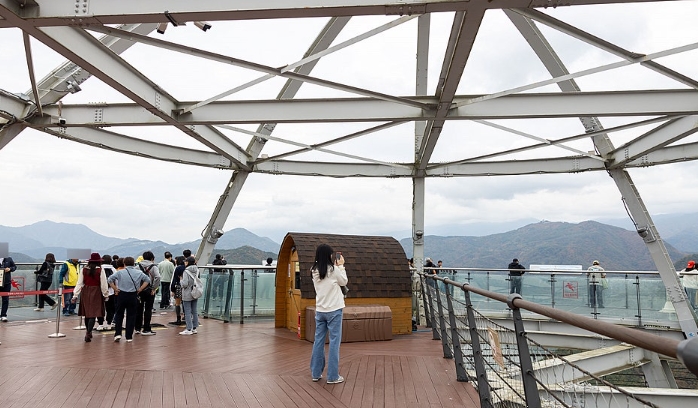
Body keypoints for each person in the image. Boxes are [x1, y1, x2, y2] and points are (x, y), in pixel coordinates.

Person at [310, 244, 348, 384]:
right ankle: (332, 376)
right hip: (334, 310)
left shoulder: (313, 270)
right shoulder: (333, 269)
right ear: (328, 255)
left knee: (318, 341)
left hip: (320, 310)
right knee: (334, 342)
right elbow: (344, 281)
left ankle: (316, 373)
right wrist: (341, 266)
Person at [108, 256, 151, 342]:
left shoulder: (120, 272)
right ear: (133, 263)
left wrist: (115, 289)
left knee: (119, 314)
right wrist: (140, 289)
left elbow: (110, 279)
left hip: (122, 294)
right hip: (133, 295)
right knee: (131, 315)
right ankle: (129, 336)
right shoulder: (139, 272)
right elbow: (147, 280)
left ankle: (118, 333)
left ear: (124, 263)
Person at [72, 253, 109, 342]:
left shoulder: (84, 270)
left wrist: (75, 295)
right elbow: (104, 284)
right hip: (96, 291)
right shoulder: (100, 270)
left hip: (86, 291)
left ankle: (88, 331)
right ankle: (88, 332)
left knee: (87, 313)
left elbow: (79, 283)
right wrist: (106, 294)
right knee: (93, 313)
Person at [135, 251, 160, 336]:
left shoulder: (137, 266)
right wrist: (154, 288)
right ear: (152, 258)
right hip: (149, 291)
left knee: (139, 309)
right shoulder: (154, 267)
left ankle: (137, 328)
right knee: (148, 309)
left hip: (139, 290)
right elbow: (158, 277)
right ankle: (146, 328)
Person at [179, 256, 201, 335]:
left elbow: (185, 284)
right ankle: (194, 327)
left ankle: (189, 328)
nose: (185, 263)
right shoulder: (197, 270)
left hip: (187, 293)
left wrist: (181, 281)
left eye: (186, 261)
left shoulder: (186, 271)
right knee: (194, 310)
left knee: (187, 311)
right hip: (195, 292)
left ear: (188, 262)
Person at [97, 254, 116, 330]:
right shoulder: (113, 269)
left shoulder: (99, 269)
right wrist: (116, 289)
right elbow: (116, 281)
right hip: (111, 291)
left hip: (100, 291)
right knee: (110, 308)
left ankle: (100, 324)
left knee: (100, 308)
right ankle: (109, 323)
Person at [169, 256, 186, 326]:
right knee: (185, 302)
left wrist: (172, 290)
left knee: (177, 303)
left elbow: (175, 279)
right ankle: (186, 316)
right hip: (186, 287)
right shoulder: (187, 268)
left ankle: (178, 318)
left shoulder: (178, 268)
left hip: (179, 286)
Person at [0, 255, 17, 322]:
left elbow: (14, 267)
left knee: (5, 299)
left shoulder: (8, 259)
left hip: (6, 282)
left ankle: (3, 315)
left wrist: (10, 269)